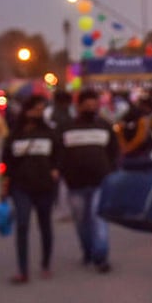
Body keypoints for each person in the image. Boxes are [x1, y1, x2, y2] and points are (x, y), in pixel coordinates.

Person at [0, 94, 59, 284]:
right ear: (26, 111)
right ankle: (22, 270)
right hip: (20, 187)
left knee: (45, 225)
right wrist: (4, 184)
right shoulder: (14, 136)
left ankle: (46, 264)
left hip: (44, 186)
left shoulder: (49, 133)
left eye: (41, 110)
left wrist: (55, 170)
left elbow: (58, 155)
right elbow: (6, 163)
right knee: (22, 224)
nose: (38, 114)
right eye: (35, 110)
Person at [57, 88, 118, 273]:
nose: (91, 108)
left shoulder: (105, 126)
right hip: (75, 184)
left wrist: (112, 172)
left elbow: (114, 152)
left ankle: (101, 257)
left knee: (98, 218)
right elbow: (59, 153)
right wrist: (64, 172)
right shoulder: (66, 127)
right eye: (87, 105)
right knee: (82, 221)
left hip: (101, 181)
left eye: (94, 105)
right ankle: (87, 251)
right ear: (79, 106)